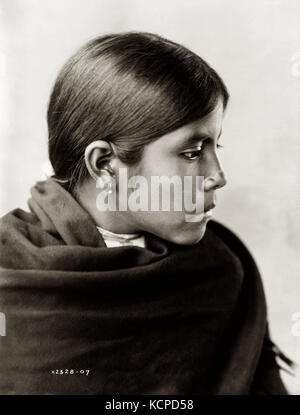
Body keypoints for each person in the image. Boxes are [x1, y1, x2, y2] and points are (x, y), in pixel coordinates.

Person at [0, 31, 292, 394]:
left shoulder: (221, 268)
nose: (217, 176)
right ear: (105, 163)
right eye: (191, 152)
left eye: (214, 146)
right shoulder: (10, 278)